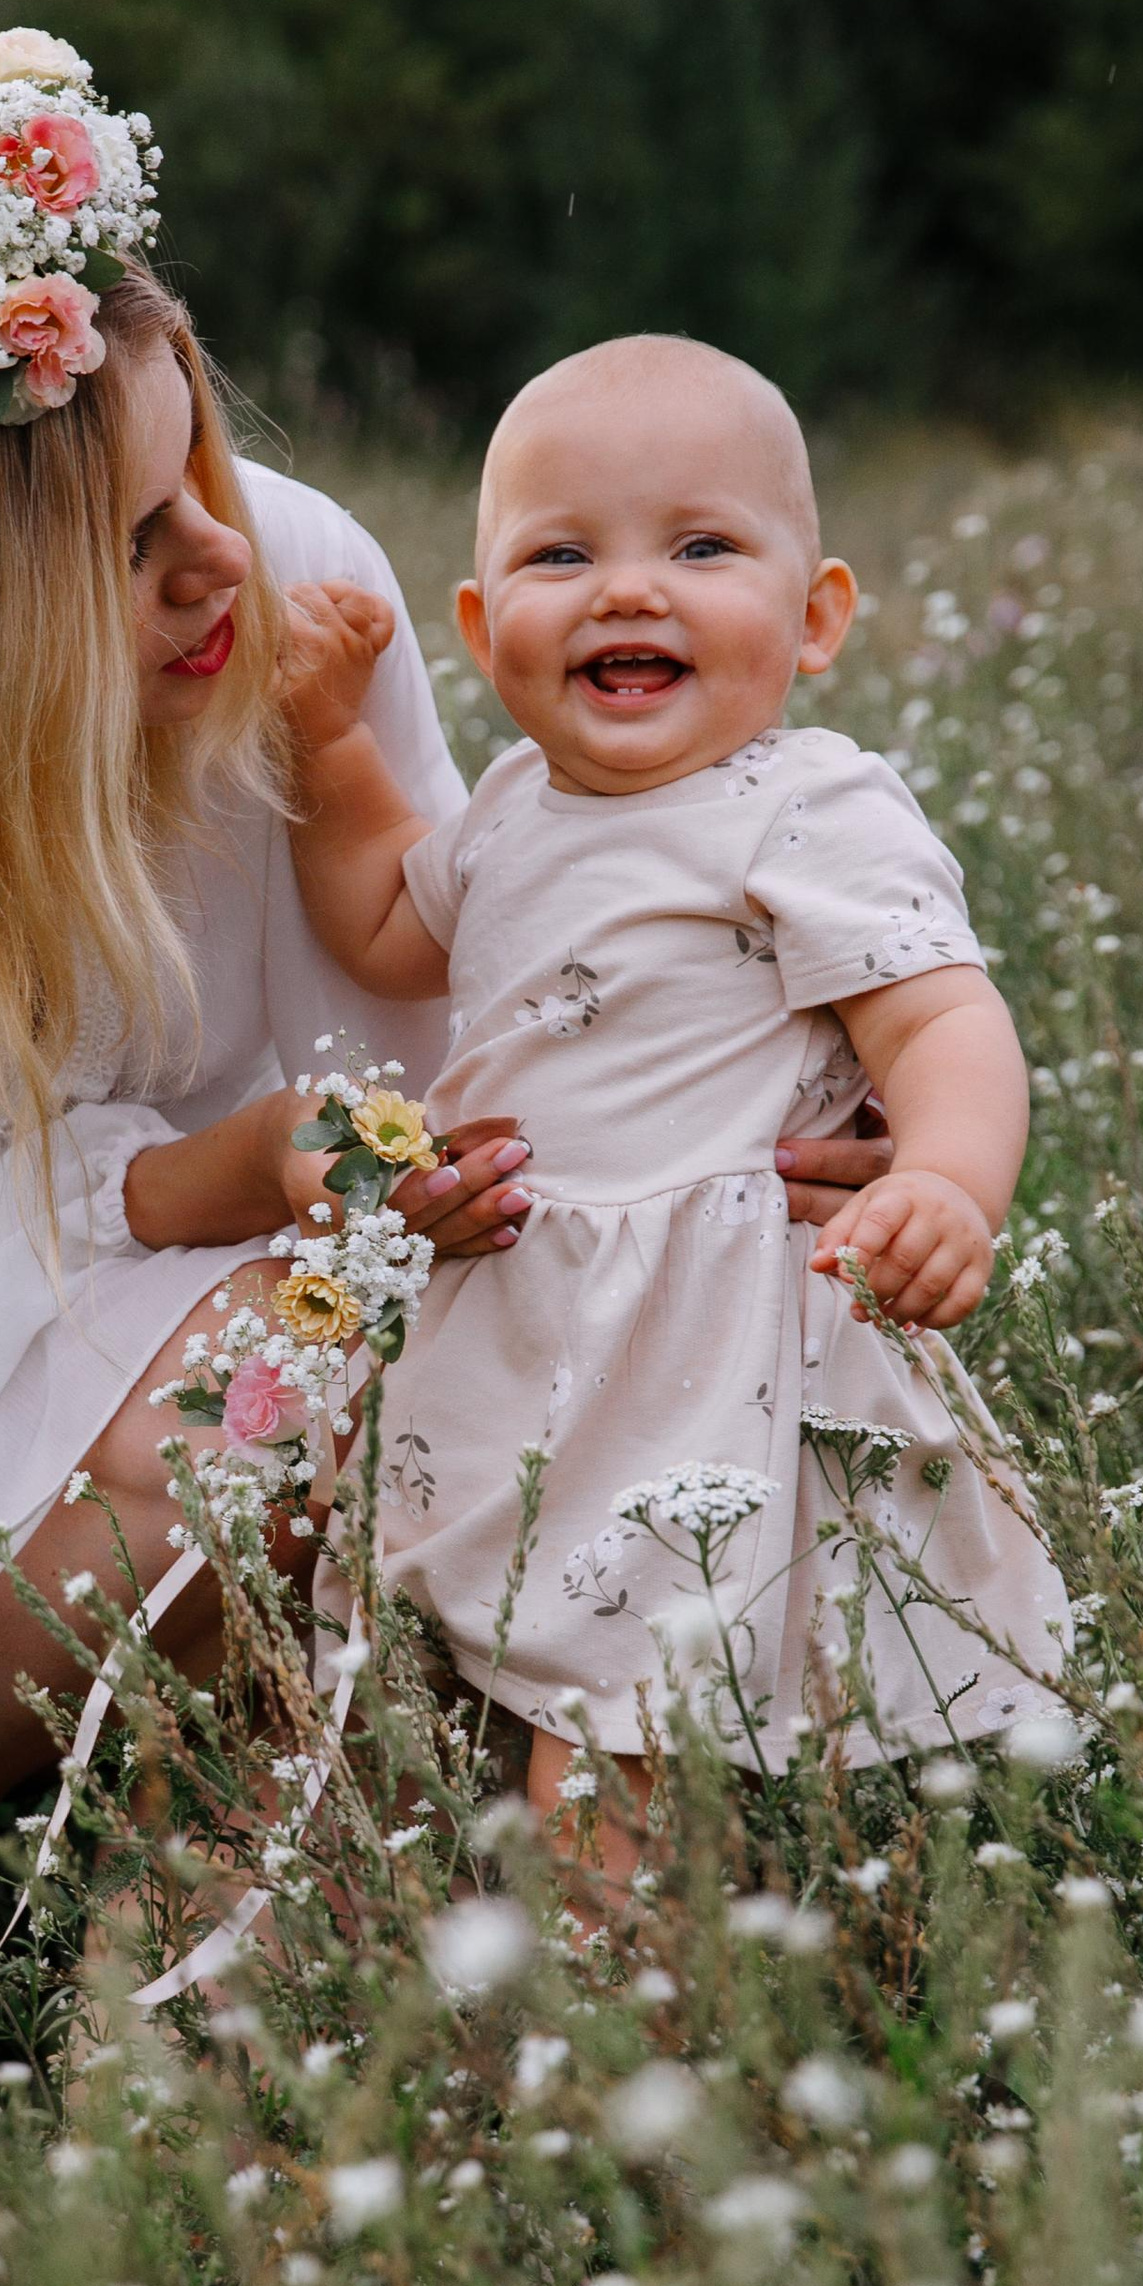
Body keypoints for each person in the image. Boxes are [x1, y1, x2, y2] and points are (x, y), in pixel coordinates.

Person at [0, 36, 888, 1818]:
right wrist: (240, 1206)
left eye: (204, 456)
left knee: (487, 1407)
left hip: (337, 1265)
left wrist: (763, 1079)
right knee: (280, 1387)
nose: (227, 553)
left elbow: (482, 997)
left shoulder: (281, 600)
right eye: (134, 545)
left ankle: (271, 1801)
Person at [281, 332, 1071, 1870]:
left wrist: (951, 1186)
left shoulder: (808, 804)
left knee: (629, 1694)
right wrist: (323, 740)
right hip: (518, 1307)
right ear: (481, 620)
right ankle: (433, 1923)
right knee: (462, 1647)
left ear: (816, 615)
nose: (628, 590)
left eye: (702, 547)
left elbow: (944, 1025)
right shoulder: (512, 807)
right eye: (560, 553)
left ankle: (615, 2002)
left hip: (690, 1338)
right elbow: (385, 922)